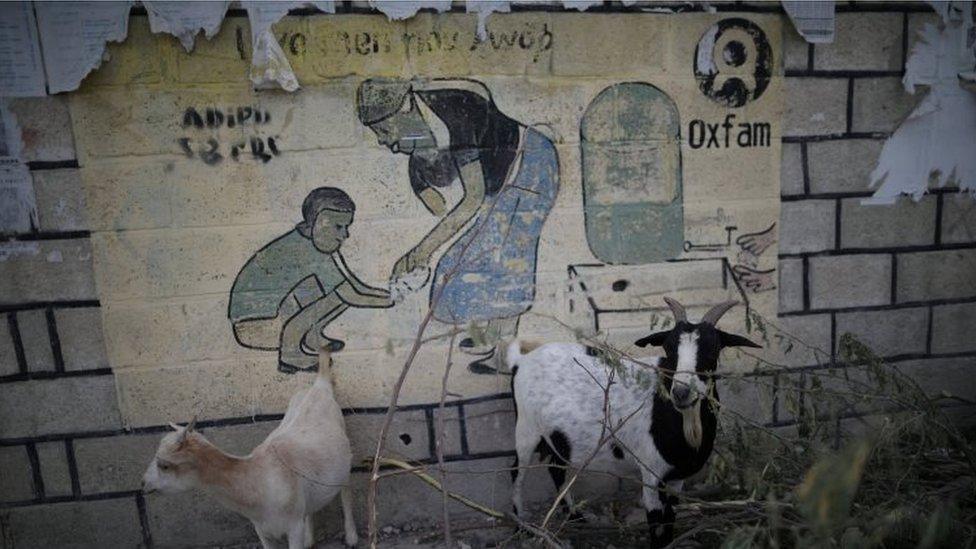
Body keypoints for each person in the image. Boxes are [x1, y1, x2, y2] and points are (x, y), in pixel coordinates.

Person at [357, 78, 559, 373]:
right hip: (501, 182)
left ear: (407, 108)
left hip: (531, 167)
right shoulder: (423, 123)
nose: (383, 141)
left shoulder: (455, 111)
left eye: (384, 130)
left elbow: (472, 198)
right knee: (479, 254)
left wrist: (420, 252)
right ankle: (491, 336)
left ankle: (506, 357)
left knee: (505, 258)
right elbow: (441, 186)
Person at [228, 187, 392, 373]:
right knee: (337, 293)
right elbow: (351, 294)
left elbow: (352, 284)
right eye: (338, 227)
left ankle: (311, 338)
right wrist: (392, 299)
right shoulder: (306, 250)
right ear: (318, 222)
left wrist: (389, 293)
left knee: (336, 289)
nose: (345, 235)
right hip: (256, 329)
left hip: (264, 323)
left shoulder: (311, 241)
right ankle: (291, 355)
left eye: (347, 227)